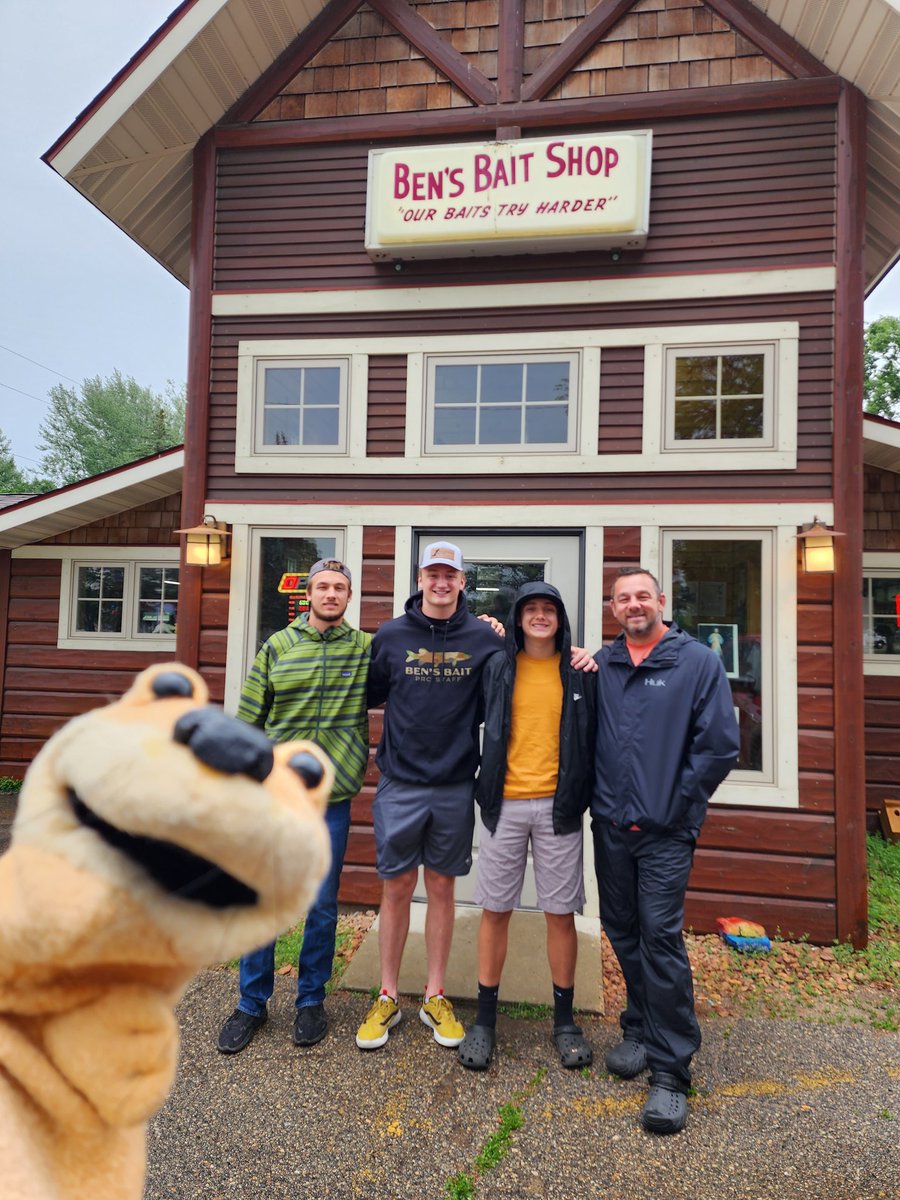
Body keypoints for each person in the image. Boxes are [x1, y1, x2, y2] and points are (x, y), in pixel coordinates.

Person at [592, 567, 739, 1135]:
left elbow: (720, 746)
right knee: (622, 928)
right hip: (610, 825)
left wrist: (676, 805)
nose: (633, 605)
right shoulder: (602, 665)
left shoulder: (695, 663)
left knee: (658, 935)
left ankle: (672, 1071)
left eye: (642, 596)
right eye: (623, 599)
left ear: (660, 601)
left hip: (666, 832)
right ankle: (639, 1026)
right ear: (614, 608)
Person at [355, 541, 507, 1051]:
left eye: (451, 575)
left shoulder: (485, 638)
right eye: (432, 573)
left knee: (442, 888)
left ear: (463, 581)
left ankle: (435, 994)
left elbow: (510, 689)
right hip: (399, 783)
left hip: (453, 786)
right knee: (396, 888)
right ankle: (388, 995)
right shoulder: (392, 636)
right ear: (419, 578)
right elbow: (370, 693)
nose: (441, 582)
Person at [217, 559, 371, 1053]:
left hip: (333, 798)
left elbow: (422, 659)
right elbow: (247, 721)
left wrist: (487, 624)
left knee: (322, 906)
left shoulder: (366, 649)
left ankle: (310, 1000)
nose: (331, 594)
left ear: (349, 597)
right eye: (322, 586)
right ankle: (250, 1004)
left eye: (339, 588)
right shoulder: (277, 646)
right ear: (309, 594)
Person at [457, 582, 596, 1072]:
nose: (540, 616)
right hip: (505, 804)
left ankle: (564, 1021)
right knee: (495, 909)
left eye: (549, 610)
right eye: (530, 609)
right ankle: (485, 1019)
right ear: (517, 618)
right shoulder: (497, 667)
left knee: (561, 913)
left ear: (560, 619)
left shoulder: (580, 672)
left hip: (560, 809)